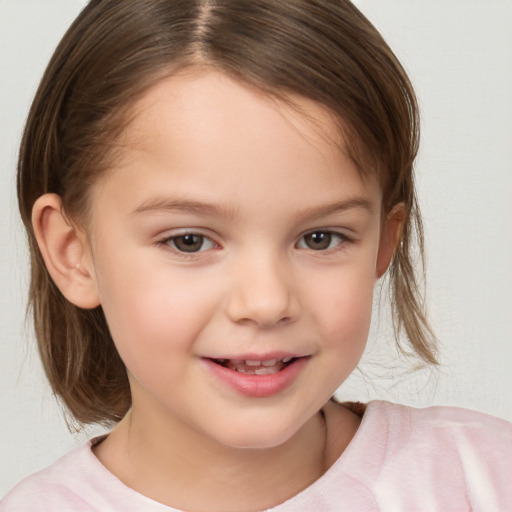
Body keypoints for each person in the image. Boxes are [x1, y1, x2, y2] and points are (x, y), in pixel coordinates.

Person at [2, 0, 511, 510]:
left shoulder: (485, 477)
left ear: (383, 241)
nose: (266, 303)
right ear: (73, 252)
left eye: (320, 238)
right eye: (189, 241)